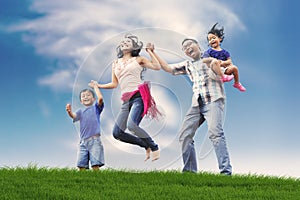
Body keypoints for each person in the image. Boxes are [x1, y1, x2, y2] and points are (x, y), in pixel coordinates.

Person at [148, 38, 232, 175]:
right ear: (186, 53)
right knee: (185, 135)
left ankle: (226, 172)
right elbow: (168, 68)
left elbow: (226, 66)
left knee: (215, 133)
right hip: (197, 104)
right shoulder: (187, 65)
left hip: (213, 100)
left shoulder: (211, 56)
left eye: (189, 45)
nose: (187, 48)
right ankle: (190, 172)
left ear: (198, 45)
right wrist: (153, 52)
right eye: (184, 48)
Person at [90, 34, 161, 162]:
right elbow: (114, 83)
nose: (125, 42)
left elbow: (157, 66)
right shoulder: (115, 63)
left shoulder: (139, 59)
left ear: (134, 47)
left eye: (128, 41)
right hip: (125, 101)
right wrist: (98, 85)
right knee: (117, 133)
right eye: (123, 41)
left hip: (138, 96)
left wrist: (151, 52)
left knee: (132, 125)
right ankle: (144, 145)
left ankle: (154, 147)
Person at [66, 82, 105, 170]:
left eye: (88, 95)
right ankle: (83, 182)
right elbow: (74, 116)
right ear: (81, 101)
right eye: (83, 96)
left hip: (95, 140)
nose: (86, 97)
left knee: (95, 165)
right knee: (81, 165)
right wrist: (69, 112)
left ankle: (98, 181)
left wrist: (95, 87)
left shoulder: (96, 108)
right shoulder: (80, 111)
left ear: (93, 98)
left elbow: (101, 99)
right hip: (83, 142)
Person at [202, 23, 246, 92]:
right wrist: (212, 60)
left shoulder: (225, 52)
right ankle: (222, 77)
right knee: (215, 62)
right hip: (213, 71)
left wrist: (222, 63)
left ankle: (237, 83)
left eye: (214, 38)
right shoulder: (209, 51)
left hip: (224, 70)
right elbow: (203, 60)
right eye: (209, 39)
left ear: (220, 39)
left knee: (234, 68)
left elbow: (229, 61)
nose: (212, 40)